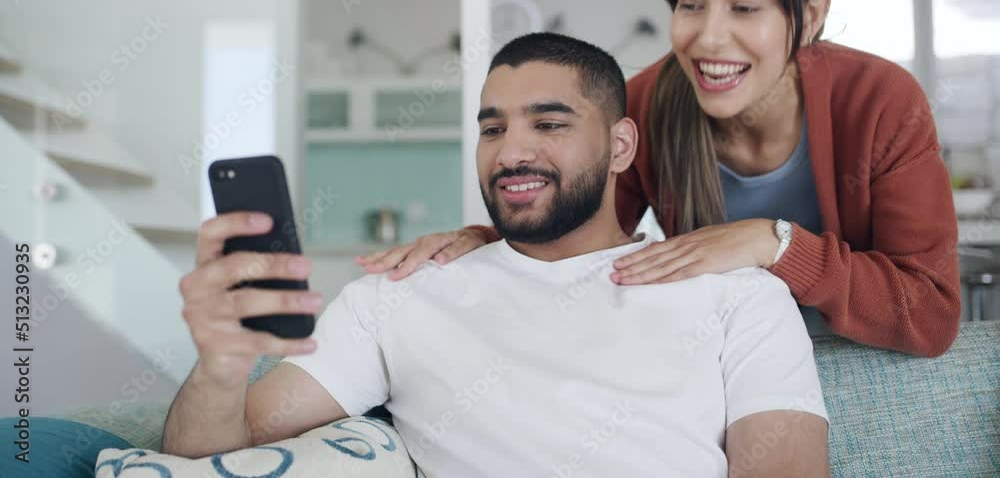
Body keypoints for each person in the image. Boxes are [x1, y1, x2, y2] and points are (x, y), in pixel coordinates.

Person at [162, 33, 829, 477]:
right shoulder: (400, 293)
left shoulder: (738, 296)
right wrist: (222, 368)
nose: (511, 152)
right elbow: (220, 452)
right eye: (492, 128)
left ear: (622, 147)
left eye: (549, 124)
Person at [359, 0, 961, 357]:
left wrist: (774, 244)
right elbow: (583, 232)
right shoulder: (645, 103)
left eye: (745, 7)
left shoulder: (881, 102)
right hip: (724, 365)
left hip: (854, 358)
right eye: (690, 4)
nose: (708, 38)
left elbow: (930, 314)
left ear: (809, 17)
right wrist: (482, 243)